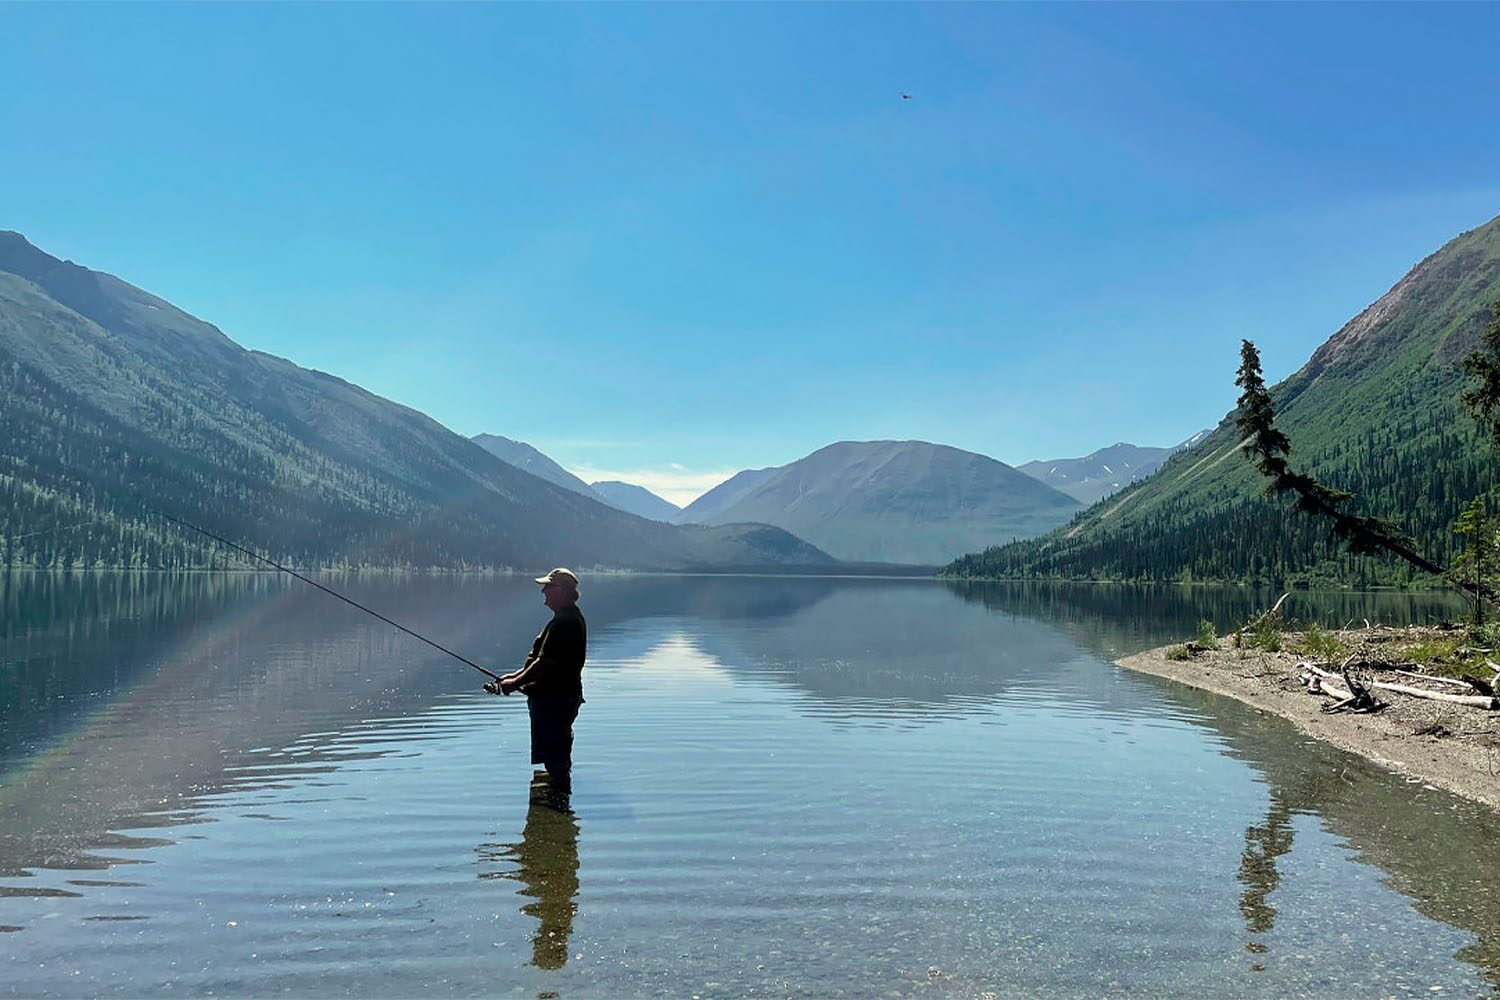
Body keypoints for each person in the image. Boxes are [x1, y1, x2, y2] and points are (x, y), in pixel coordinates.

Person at [486, 568, 586, 808]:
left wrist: (514, 684)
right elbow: (544, 661)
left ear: (561, 590)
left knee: (555, 756)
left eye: (548, 587)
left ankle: (557, 806)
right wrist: (516, 675)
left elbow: (546, 663)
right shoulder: (567, 618)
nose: (543, 592)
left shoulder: (564, 621)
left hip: (555, 700)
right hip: (559, 698)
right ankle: (558, 803)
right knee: (557, 753)